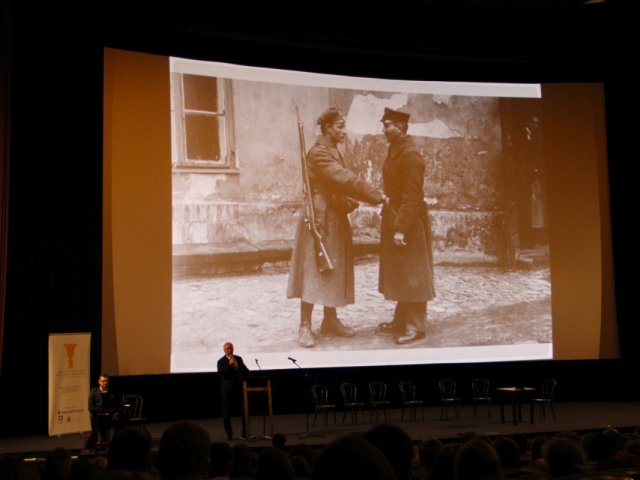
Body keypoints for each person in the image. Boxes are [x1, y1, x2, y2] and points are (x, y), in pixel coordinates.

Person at [287, 107, 387, 348]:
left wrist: (349, 200)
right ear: (327, 128)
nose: (344, 131)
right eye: (340, 127)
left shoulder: (332, 150)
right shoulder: (319, 153)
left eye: (344, 126)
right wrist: (376, 195)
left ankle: (330, 320)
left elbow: (340, 185)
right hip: (318, 218)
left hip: (334, 215)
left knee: (333, 268)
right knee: (313, 269)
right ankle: (304, 325)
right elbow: (343, 178)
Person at [377, 107, 436, 345]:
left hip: (409, 222)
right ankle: (400, 320)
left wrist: (401, 227)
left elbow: (413, 195)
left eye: (388, 124)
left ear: (400, 127)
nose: (384, 129)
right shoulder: (395, 151)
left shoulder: (410, 155)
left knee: (413, 274)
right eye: (384, 124)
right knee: (400, 271)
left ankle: (415, 326)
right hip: (395, 217)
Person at [217, 341, 250, 440]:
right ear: (224, 350)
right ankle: (229, 434)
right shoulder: (221, 361)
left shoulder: (238, 359)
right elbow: (221, 374)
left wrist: (246, 375)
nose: (230, 350)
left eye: (231, 348)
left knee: (244, 411)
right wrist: (229, 365)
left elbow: (245, 370)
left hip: (239, 388)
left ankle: (245, 433)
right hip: (227, 390)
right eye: (228, 348)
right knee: (227, 412)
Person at [88, 373, 124, 447]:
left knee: (119, 417)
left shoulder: (113, 391)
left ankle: (116, 441)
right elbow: (91, 408)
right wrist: (104, 411)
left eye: (106, 381)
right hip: (99, 415)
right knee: (98, 418)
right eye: (103, 381)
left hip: (111, 415)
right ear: (99, 382)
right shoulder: (94, 391)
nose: (105, 383)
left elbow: (119, 406)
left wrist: (110, 412)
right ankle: (102, 441)